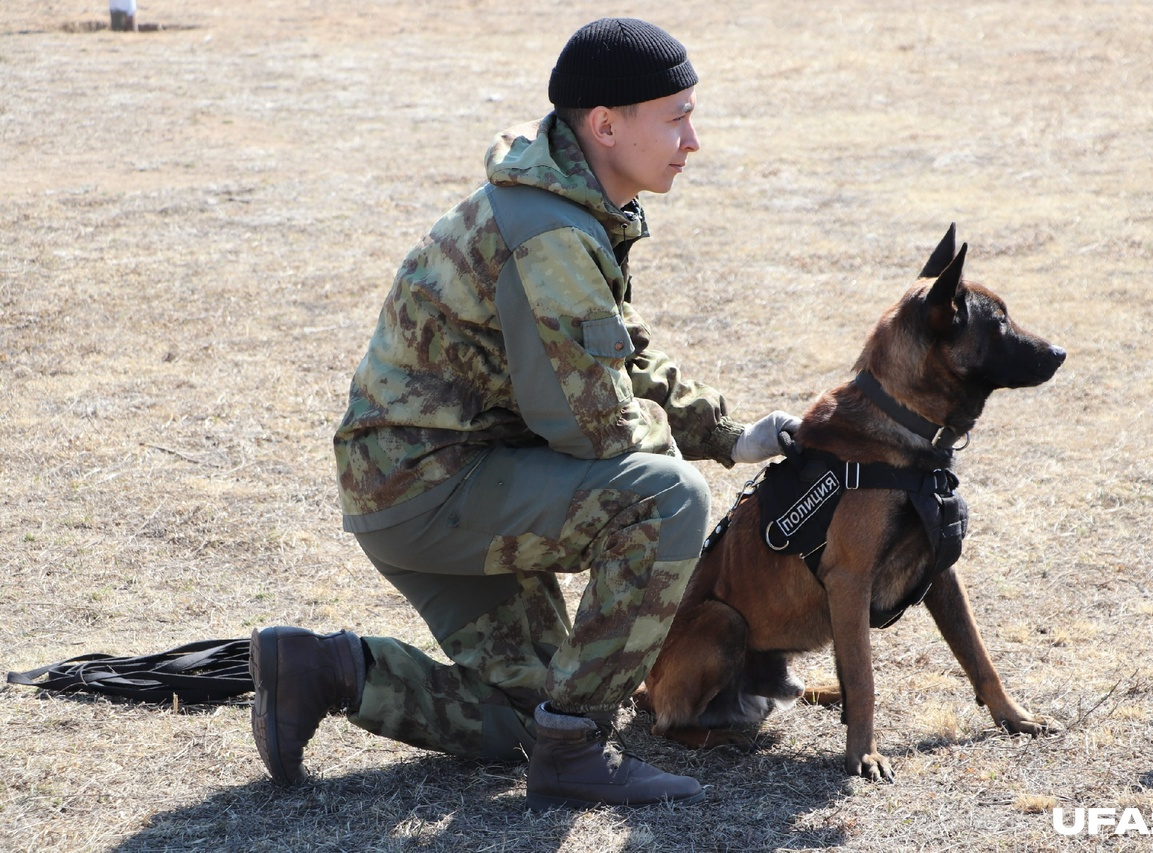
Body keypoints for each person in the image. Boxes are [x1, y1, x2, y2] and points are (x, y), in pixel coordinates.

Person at [249, 17, 798, 811]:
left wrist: (721, 431)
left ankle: (326, 669)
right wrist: (682, 461)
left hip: (422, 482)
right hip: (434, 490)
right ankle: (575, 756)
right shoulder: (551, 232)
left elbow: (617, 353)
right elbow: (595, 425)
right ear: (606, 126)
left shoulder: (566, 201)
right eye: (676, 115)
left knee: (526, 715)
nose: (694, 139)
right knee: (668, 498)